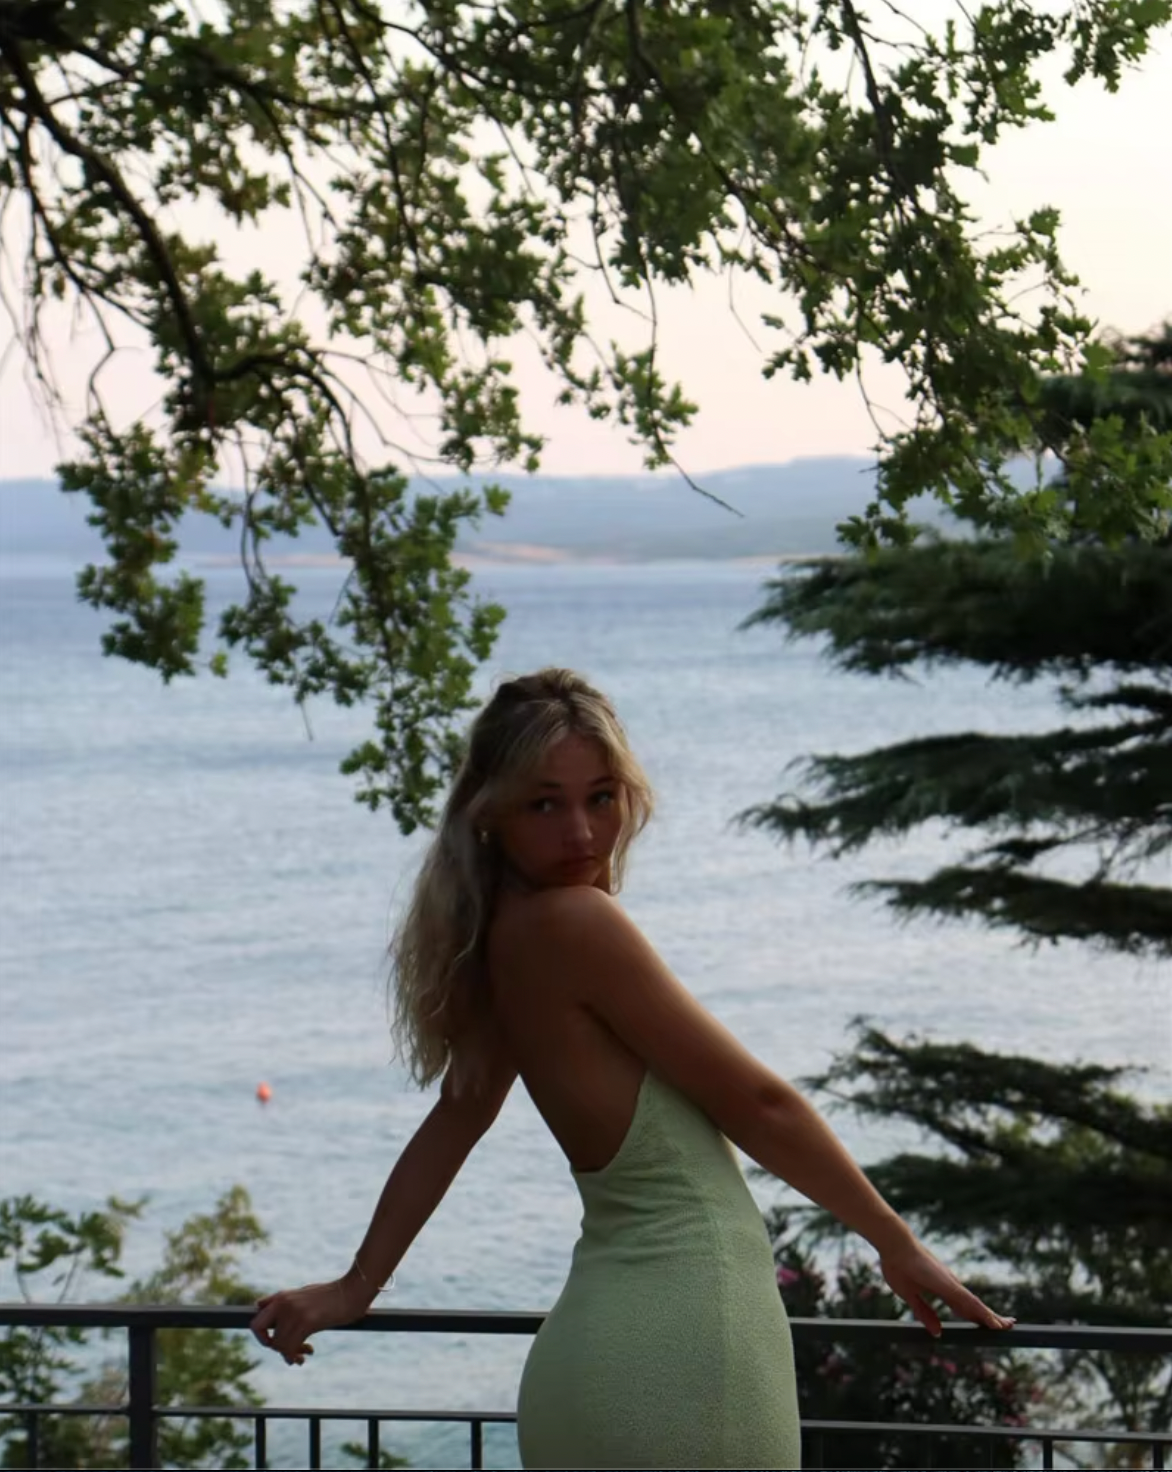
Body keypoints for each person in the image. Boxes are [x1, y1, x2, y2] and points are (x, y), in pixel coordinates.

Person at [250, 667, 1015, 1470]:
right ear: (491, 813)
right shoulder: (578, 922)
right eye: (545, 804)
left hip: (588, 1372)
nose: (582, 833)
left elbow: (457, 1116)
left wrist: (357, 1286)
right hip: (687, 1355)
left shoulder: (503, 937)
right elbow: (759, 1104)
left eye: (601, 797)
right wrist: (895, 1241)